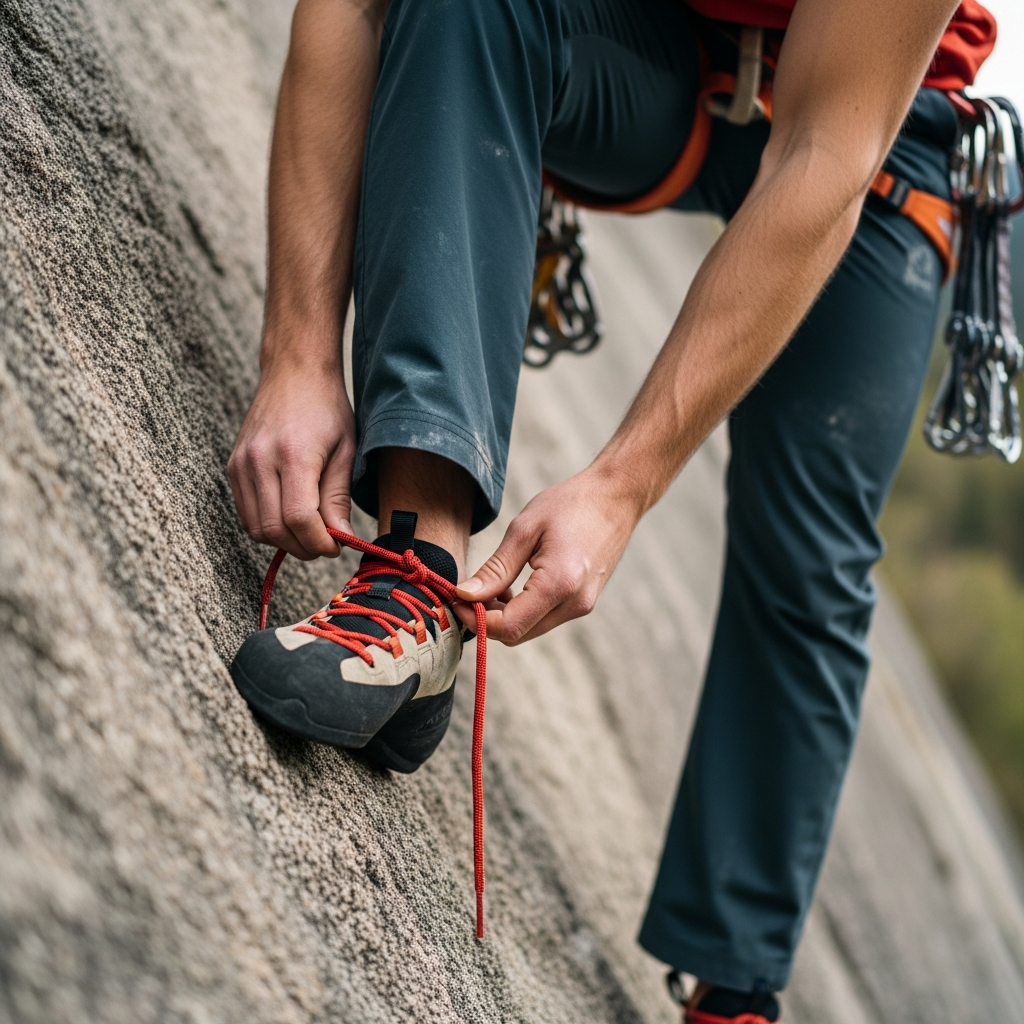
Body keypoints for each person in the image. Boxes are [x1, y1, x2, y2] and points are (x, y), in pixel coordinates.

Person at [227, 0, 996, 1018]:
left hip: (877, 134)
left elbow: (821, 148)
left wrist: (620, 487)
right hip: (653, 51)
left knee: (811, 558)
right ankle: (415, 581)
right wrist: (296, 356)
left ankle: (732, 987)